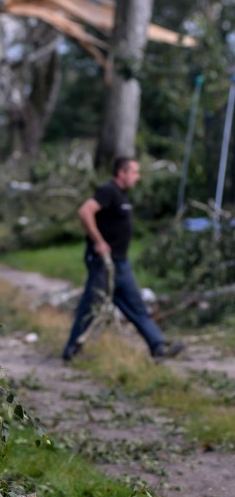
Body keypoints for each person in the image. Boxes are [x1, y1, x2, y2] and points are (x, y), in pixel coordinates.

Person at [62, 156, 184, 363]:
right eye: (134, 172)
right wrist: (99, 242)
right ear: (122, 173)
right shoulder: (108, 191)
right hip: (103, 263)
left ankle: (158, 346)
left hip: (120, 262)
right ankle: (72, 349)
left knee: (135, 305)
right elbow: (84, 212)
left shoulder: (121, 196)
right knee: (91, 305)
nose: (137, 177)